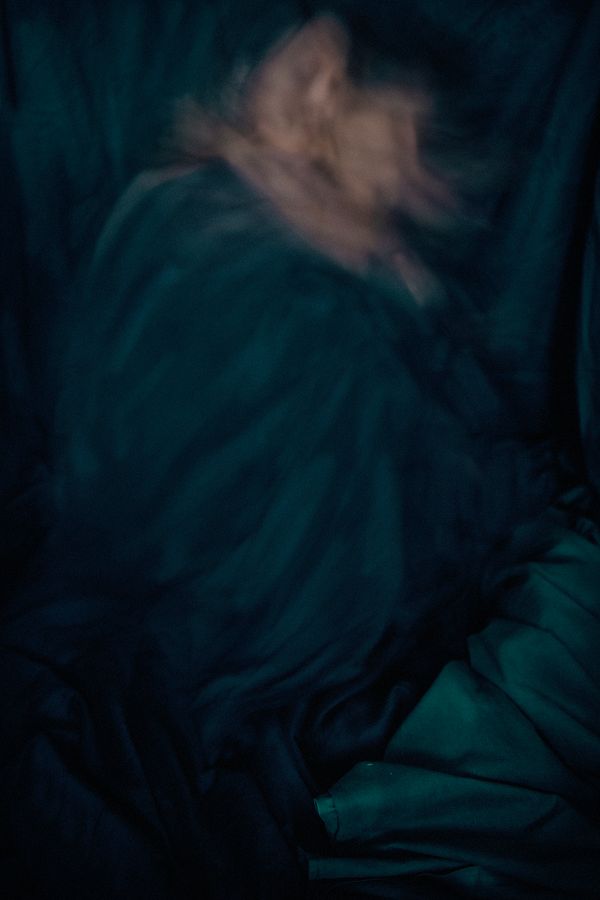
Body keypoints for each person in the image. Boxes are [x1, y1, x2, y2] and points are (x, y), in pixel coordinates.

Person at [2, 10, 559, 898]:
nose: (415, 179)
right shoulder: (216, 231)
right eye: (406, 141)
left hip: (264, 526)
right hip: (220, 563)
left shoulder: (318, 237)